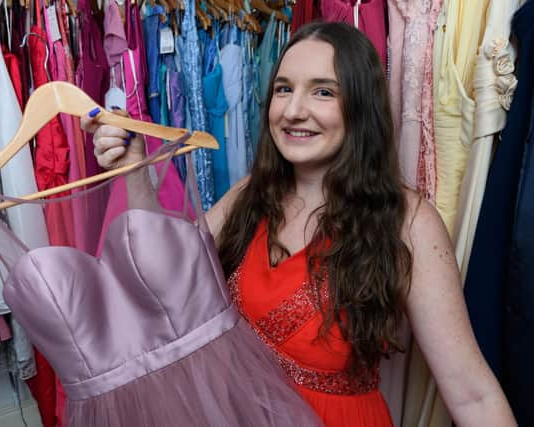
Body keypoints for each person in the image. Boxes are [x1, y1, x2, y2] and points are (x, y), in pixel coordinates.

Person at [82, 22, 515, 427]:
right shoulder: (250, 195)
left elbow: (472, 394)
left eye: (323, 92)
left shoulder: (408, 223)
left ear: (360, 107)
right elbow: (162, 276)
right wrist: (134, 171)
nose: (292, 110)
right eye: (283, 89)